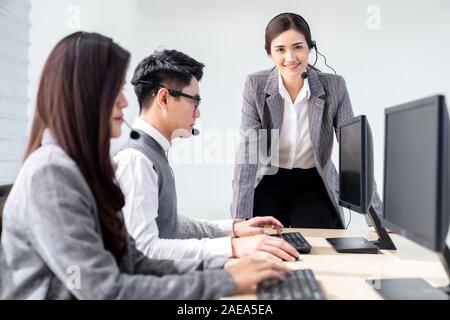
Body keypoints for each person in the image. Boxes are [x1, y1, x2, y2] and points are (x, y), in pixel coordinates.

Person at [0, 32, 290, 300]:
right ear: (85, 95)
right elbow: (105, 291)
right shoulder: (52, 173)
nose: (125, 102)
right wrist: (225, 274)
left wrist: (222, 265)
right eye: (113, 90)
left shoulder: (82, 168)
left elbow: (136, 259)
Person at [114, 49, 300, 261]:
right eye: (194, 101)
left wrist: (233, 228)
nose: (198, 113)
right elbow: (144, 249)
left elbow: (169, 224)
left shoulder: (151, 153)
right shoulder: (136, 160)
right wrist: (232, 248)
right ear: (164, 98)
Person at [231, 13, 382, 228]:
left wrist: (377, 218)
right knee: (264, 241)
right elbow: (248, 150)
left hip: (314, 181)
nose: (290, 57)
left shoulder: (334, 87)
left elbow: (353, 151)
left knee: (319, 243)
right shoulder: (255, 85)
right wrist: (239, 218)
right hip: (269, 180)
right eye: (280, 49)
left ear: (310, 48)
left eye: (298, 47)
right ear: (269, 54)